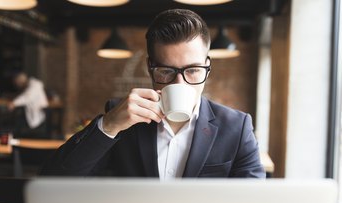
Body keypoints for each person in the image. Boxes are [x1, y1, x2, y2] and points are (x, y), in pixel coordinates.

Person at [41, 9, 265, 179]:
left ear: (208, 66)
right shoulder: (121, 118)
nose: (180, 83)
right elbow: (52, 180)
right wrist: (108, 126)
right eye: (166, 71)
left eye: (194, 70)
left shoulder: (236, 127)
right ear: (150, 67)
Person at [7, 71, 49, 137]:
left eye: (17, 83)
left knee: (17, 128)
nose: (17, 85)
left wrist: (14, 103)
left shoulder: (35, 84)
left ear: (20, 81)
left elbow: (27, 97)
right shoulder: (28, 87)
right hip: (32, 119)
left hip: (39, 120)